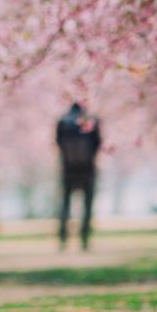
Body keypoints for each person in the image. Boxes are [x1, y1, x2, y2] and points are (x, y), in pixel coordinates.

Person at [56, 101, 101, 249]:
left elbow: (58, 143)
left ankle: (63, 237)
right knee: (87, 205)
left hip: (68, 168)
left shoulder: (62, 122)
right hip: (87, 169)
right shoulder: (92, 121)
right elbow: (97, 144)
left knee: (65, 204)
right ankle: (85, 238)